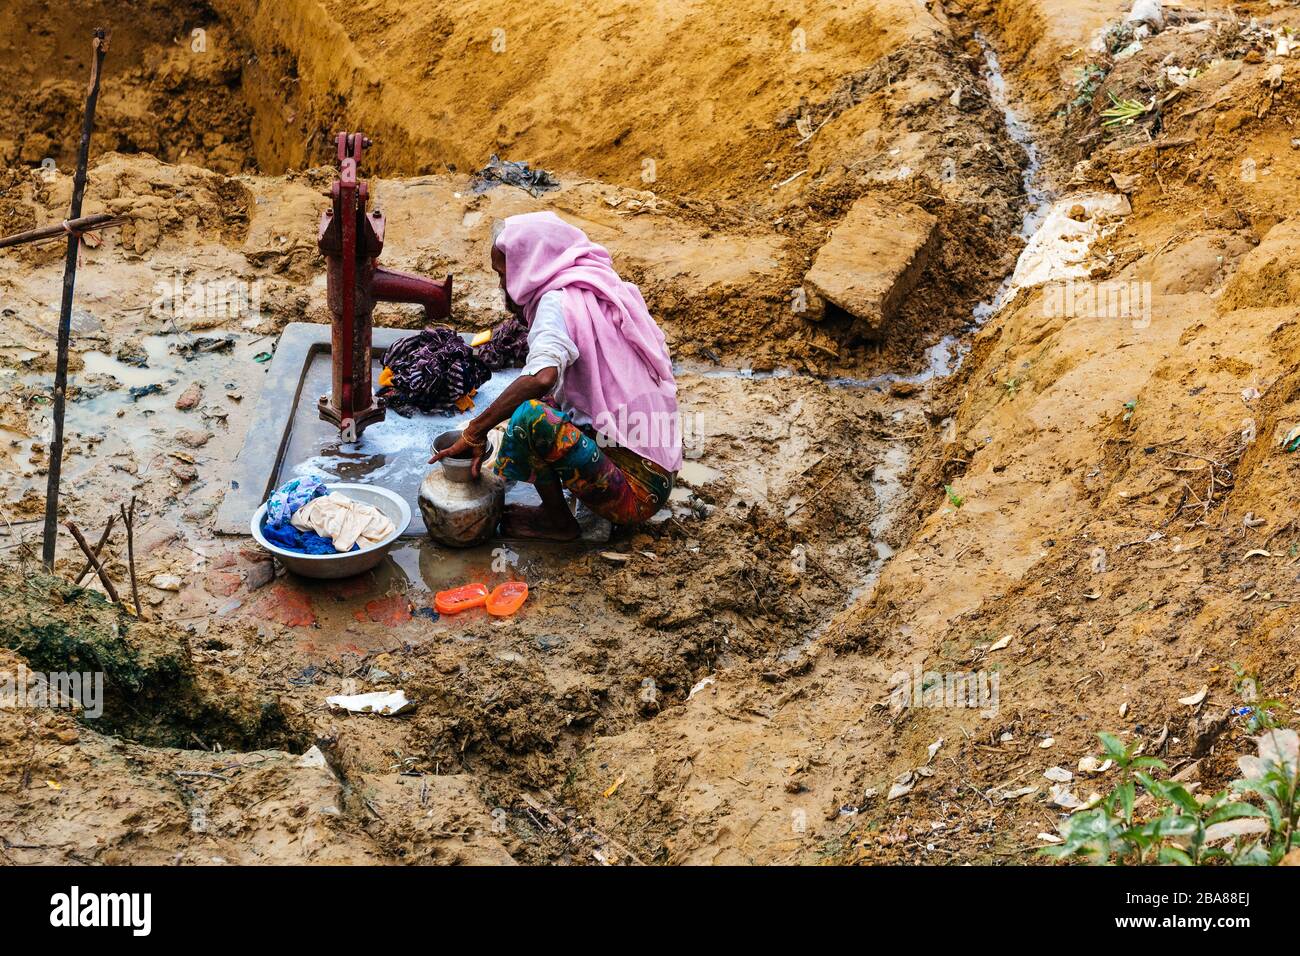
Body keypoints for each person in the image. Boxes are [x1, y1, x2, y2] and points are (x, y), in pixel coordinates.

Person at [429, 211, 682, 540]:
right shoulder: (594, 286)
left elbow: (542, 377)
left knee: (530, 415)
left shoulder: (554, 303)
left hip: (634, 496)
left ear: (529, 265)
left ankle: (557, 522)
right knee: (540, 404)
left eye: (503, 273)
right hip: (659, 471)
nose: (502, 286)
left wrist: (476, 430)